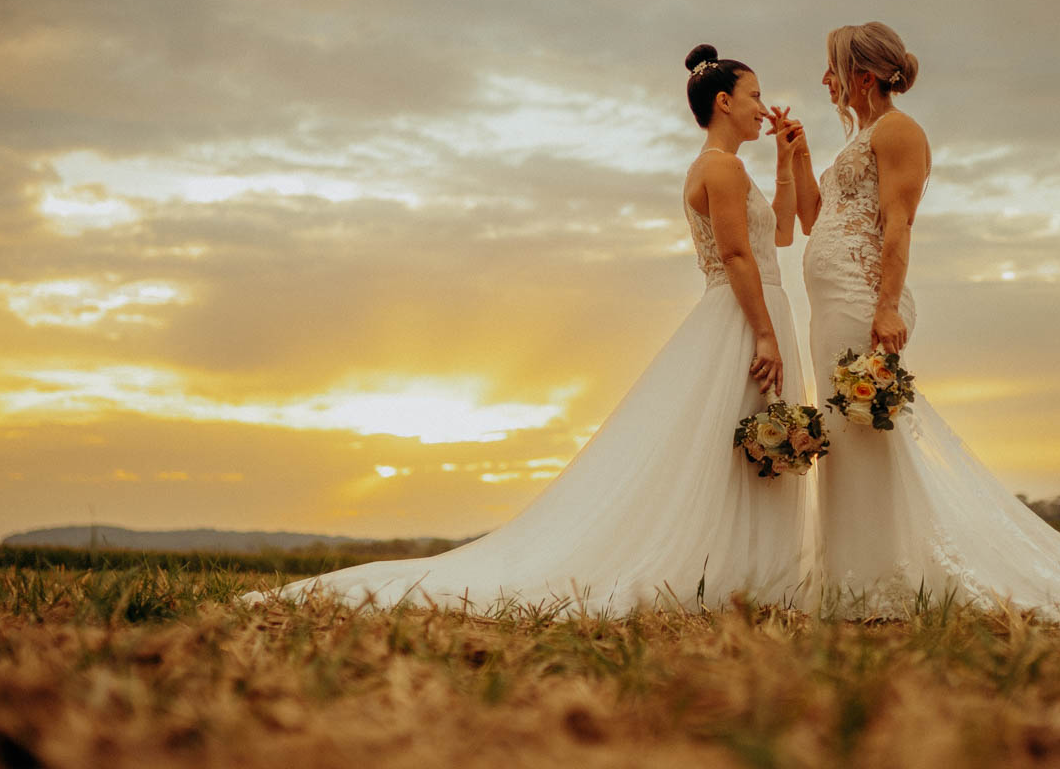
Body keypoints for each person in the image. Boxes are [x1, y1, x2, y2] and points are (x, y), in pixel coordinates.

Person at [247, 45, 813, 614]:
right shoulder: (720, 167)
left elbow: (780, 238)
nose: (763, 107)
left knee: (743, 449)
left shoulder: (733, 169)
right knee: (726, 448)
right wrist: (763, 333)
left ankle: (754, 575)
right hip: (742, 317)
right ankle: (719, 574)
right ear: (724, 101)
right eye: (755, 95)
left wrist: (787, 163)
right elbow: (739, 257)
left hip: (757, 309)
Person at [781, 22, 1060, 622]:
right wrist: (801, 156)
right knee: (843, 432)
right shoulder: (856, 142)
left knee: (866, 431)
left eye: (833, 69)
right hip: (829, 302)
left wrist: (886, 306)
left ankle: (882, 581)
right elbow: (814, 218)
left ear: (863, 78)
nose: (825, 81)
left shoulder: (901, 132)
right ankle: (851, 584)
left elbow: (898, 223)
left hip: (862, 299)